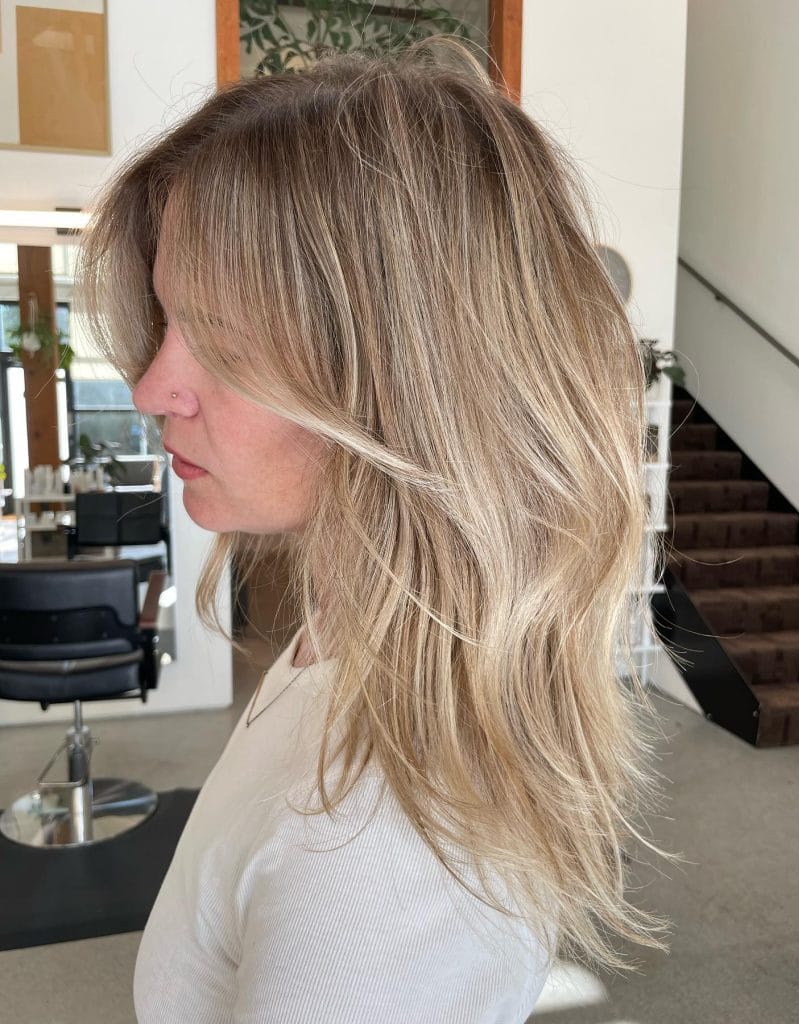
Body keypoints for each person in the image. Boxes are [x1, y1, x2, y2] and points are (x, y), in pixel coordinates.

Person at [78, 36, 679, 1023]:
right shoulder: (340, 643)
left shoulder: (378, 852)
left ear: (410, 380)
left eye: (222, 338)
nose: (153, 388)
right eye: (166, 320)